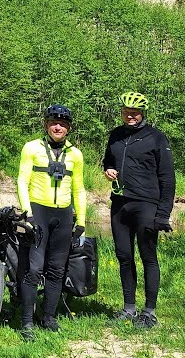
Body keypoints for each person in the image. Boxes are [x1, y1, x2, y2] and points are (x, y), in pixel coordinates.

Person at [102, 91, 176, 329]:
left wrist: (163, 213)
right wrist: (108, 170)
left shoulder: (156, 138)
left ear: (142, 113)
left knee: (148, 257)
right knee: (124, 256)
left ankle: (149, 312)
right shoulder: (116, 135)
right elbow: (108, 161)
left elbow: (167, 178)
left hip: (146, 204)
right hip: (120, 204)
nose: (130, 116)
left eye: (134, 113)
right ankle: (129, 308)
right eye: (126, 112)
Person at [16, 104, 86, 338]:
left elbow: (80, 189)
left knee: (57, 270)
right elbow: (22, 181)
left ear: (68, 128)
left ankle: (49, 317)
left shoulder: (75, 154)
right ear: (46, 125)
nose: (58, 127)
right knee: (34, 270)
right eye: (54, 123)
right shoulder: (32, 148)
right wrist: (27, 213)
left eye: (63, 124)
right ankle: (26, 322)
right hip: (38, 212)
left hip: (63, 216)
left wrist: (82, 220)